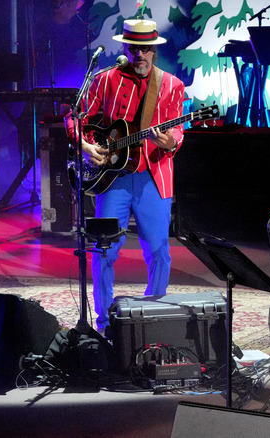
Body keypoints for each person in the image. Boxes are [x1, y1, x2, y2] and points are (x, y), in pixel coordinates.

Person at [65, 19, 186, 335]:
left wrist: (170, 141)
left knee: (159, 250)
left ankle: (152, 319)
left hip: (153, 176)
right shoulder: (105, 81)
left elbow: (177, 130)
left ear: (154, 51)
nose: (141, 55)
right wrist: (87, 145)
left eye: (146, 48)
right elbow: (75, 119)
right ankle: (105, 325)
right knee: (104, 250)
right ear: (125, 48)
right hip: (113, 178)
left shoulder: (171, 85)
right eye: (135, 48)